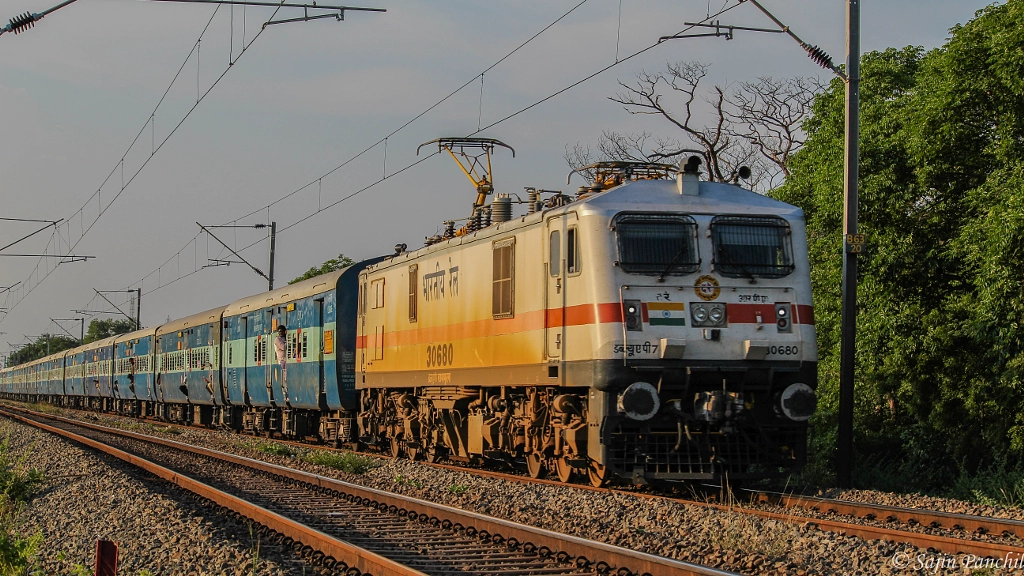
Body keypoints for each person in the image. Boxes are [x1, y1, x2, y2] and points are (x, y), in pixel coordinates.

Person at [274, 325, 288, 400]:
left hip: (287, 360)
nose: (280, 333)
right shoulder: (277, 339)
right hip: (281, 360)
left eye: (282, 331)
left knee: (287, 377)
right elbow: (283, 347)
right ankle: (285, 394)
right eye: (279, 331)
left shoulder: (285, 338)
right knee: (284, 377)